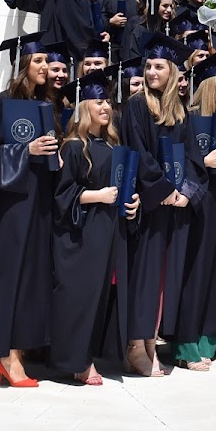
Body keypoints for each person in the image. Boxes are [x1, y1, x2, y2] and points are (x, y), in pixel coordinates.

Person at [0, 33, 67, 387]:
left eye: (48, 61)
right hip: (9, 207)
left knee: (31, 278)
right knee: (9, 278)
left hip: (39, 203)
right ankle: (6, 356)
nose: (46, 68)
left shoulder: (48, 105)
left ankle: (19, 353)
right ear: (24, 65)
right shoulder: (1, 104)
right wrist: (25, 151)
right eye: (39, 62)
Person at [119, 33, 208, 377]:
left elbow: (192, 158)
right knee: (144, 277)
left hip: (174, 208)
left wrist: (186, 191)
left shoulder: (180, 111)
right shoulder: (136, 107)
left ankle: (152, 341)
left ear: (172, 71)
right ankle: (135, 347)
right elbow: (138, 154)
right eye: (148, 65)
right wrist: (164, 191)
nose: (152, 72)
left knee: (164, 279)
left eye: (159, 66)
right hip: (150, 208)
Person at [50, 70, 141, 385]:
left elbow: (120, 187)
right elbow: (61, 195)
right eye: (98, 101)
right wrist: (97, 196)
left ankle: (90, 356)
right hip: (80, 236)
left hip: (107, 233)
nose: (105, 107)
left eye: (107, 102)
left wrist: (133, 201)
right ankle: (79, 362)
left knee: (99, 297)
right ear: (82, 105)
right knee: (80, 297)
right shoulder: (74, 147)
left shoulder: (113, 145)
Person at [175, 56, 216, 370]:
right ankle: (185, 346)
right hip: (196, 204)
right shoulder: (187, 117)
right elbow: (176, 162)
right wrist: (203, 164)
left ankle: (207, 341)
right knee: (195, 273)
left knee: (214, 271)